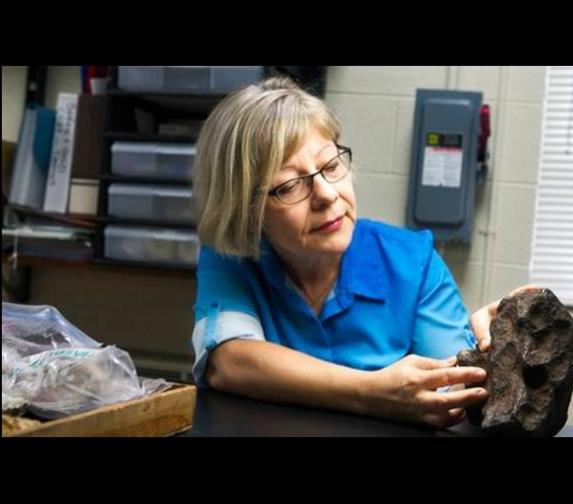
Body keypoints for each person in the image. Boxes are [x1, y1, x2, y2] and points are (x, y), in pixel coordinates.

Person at [191, 76, 537, 427]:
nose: (327, 194)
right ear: (245, 209)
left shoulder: (412, 262)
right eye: (290, 185)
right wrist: (372, 392)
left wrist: (492, 354)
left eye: (330, 165)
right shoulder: (229, 259)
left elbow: (452, 392)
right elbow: (228, 361)